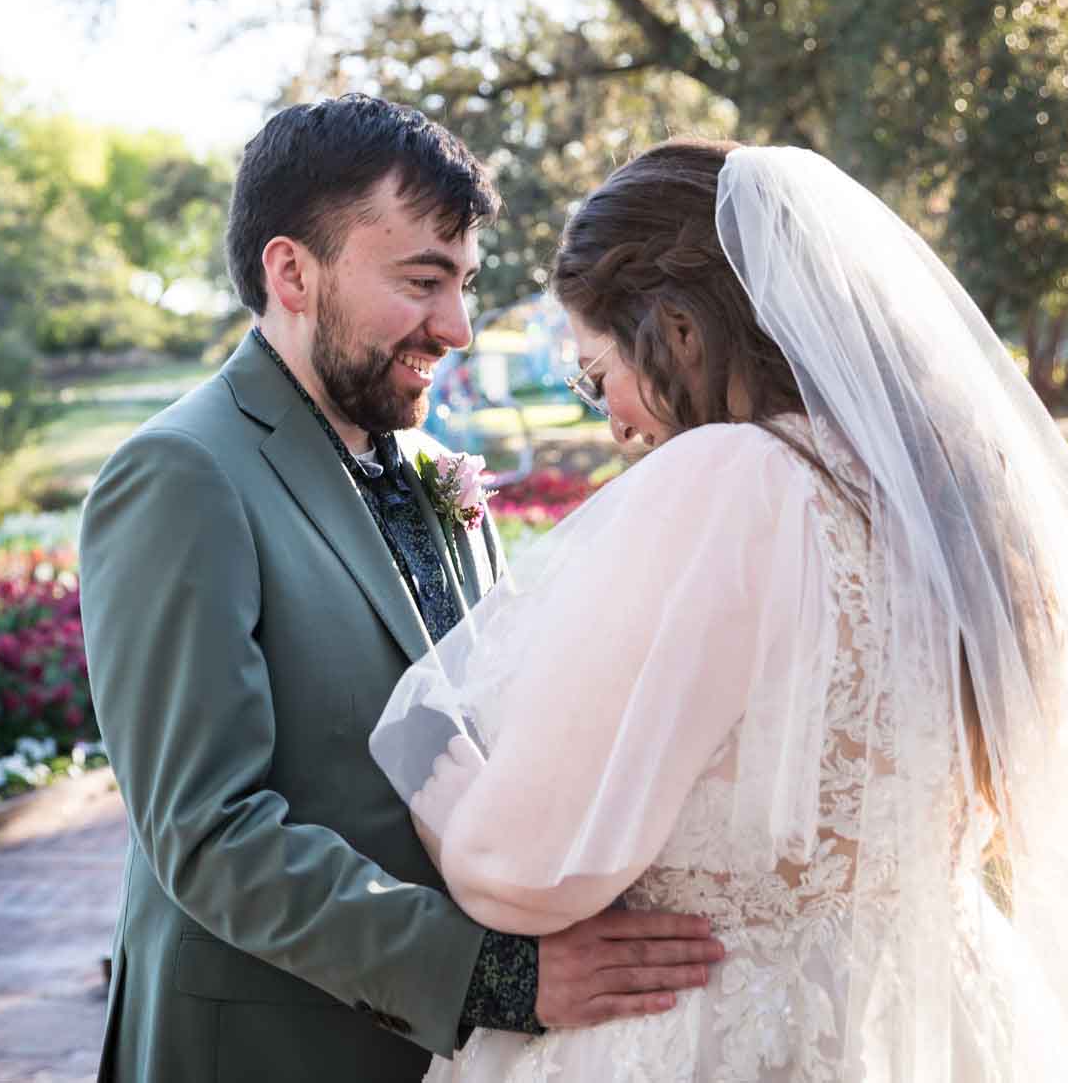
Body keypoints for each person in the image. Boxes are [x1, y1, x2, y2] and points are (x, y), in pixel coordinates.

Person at [373, 139, 1068, 1081]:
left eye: (598, 375)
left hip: (728, 1032)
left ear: (674, 328)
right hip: (949, 1012)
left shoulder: (732, 479)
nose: (614, 417)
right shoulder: (957, 499)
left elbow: (534, 868)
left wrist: (451, 789)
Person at [78, 96, 724, 1083]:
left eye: (463, 284)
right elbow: (205, 833)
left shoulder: (430, 464)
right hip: (266, 1048)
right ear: (291, 272)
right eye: (423, 282)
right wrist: (497, 977)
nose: (456, 327)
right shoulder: (180, 474)